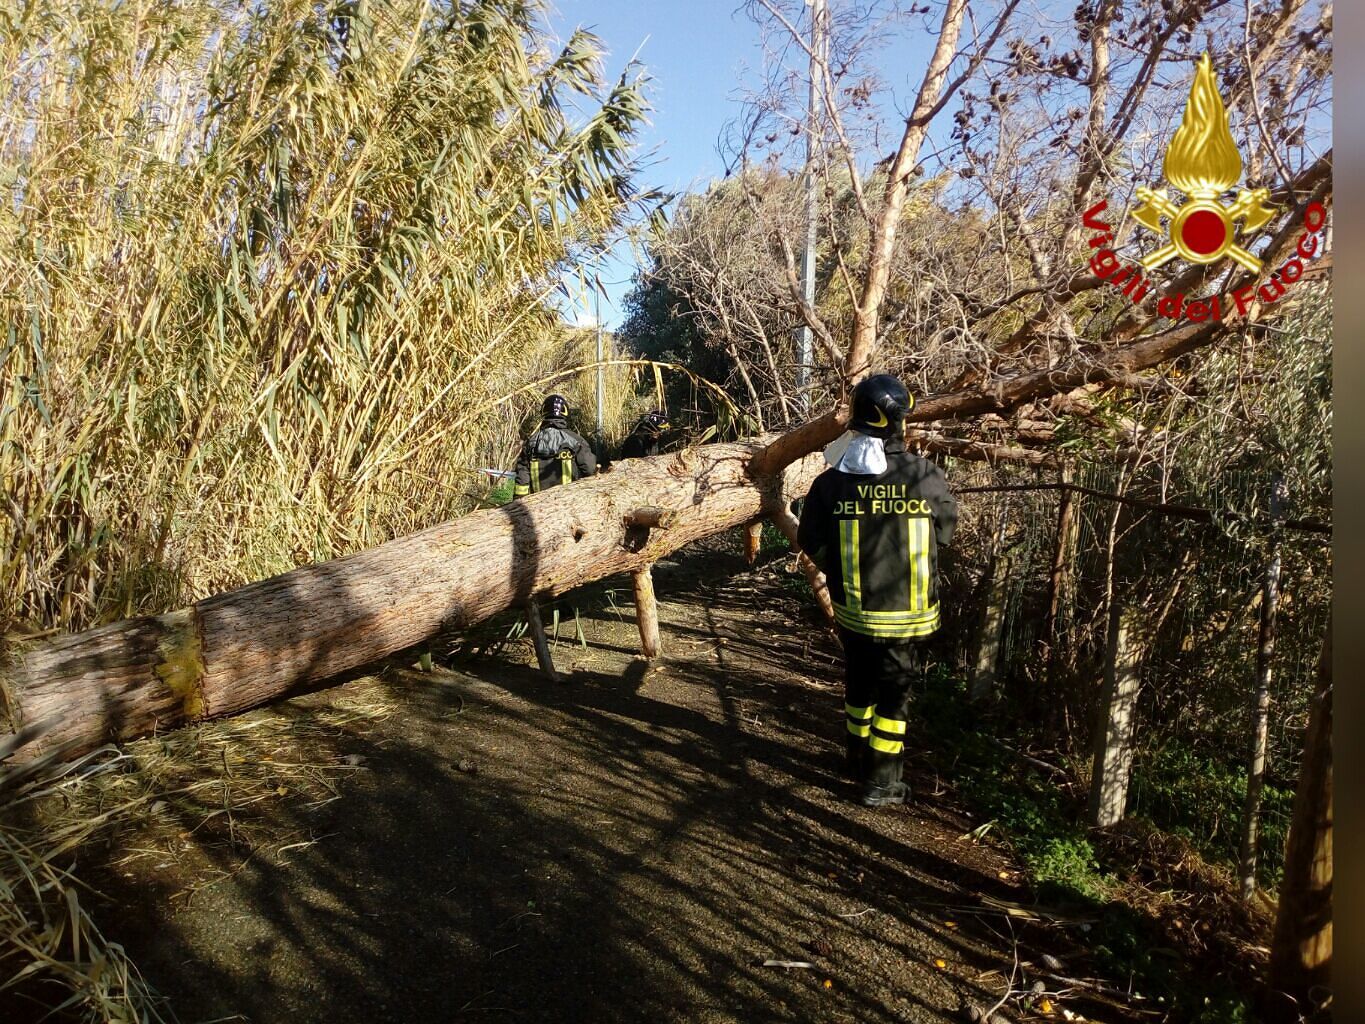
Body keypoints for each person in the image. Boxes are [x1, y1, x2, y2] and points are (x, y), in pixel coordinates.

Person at [796, 374, 958, 807]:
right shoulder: (926, 476)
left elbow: (809, 539)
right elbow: (945, 535)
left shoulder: (830, 483)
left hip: (852, 614)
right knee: (894, 694)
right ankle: (883, 782)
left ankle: (854, 759)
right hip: (908, 616)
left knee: (858, 685)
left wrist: (842, 569)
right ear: (899, 422)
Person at [513, 394, 597, 497]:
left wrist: (518, 503)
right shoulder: (576, 441)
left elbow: (522, 479)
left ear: (544, 413)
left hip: (538, 506)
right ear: (565, 413)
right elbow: (590, 470)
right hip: (571, 504)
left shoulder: (530, 444)